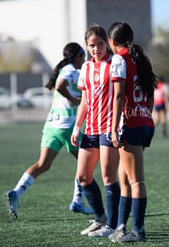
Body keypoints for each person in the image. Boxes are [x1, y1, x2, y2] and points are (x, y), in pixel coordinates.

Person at [4, 42, 93, 219]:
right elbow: (60, 86)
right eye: (83, 55)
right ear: (76, 56)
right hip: (67, 126)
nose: (84, 59)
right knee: (86, 164)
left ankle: (16, 193)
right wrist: (74, 99)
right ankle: (77, 201)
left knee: (42, 165)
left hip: (52, 126)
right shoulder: (71, 71)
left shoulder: (64, 70)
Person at [108, 21, 157, 243]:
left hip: (130, 123)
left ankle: (138, 231)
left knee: (136, 181)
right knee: (124, 176)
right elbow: (149, 96)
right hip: (146, 123)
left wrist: (113, 127)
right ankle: (120, 227)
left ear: (112, 41)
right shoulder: (142, 58)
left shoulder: (120, 59)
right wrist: (143, 114)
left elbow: (118, 96)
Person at [71, 25, 120, 238]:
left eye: (100, 44)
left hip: (110, 128)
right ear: (87, 46)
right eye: (92, 45)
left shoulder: (115, 63)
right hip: (90, 129)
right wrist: (77, 126)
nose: (96, 48)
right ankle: (101, 218)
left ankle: (115, 224)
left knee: (108, 176)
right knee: (83, 176)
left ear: (106, 43)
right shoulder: (86, 68)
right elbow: (84, 101)